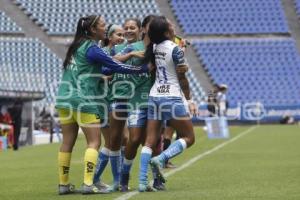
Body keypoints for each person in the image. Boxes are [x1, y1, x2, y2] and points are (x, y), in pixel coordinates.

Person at [55, 15, 149, 195]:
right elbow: (115, 65)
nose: (104, 29)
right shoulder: (92, 48)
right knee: (94, 142)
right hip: (84, 100)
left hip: (64, 99)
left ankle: (63, 184)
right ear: (92, 29)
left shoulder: (76, 47)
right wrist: (141, 69)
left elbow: (103, 68)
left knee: (67, 143)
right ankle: (88, 184)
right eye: (102, 25)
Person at [138, 16, 197, 192]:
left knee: (149, 141)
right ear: (166, 32)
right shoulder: (175, 50)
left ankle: (142, 182)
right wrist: (189, 100)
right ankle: (162, 158)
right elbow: (182, 78)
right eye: (170, 25)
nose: (173, 26)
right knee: (189, 137)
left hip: (154, 96)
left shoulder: (154, 46)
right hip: (171, 97)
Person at [93, 23, 125, 190]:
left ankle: (113, 179)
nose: (121, 37)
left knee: (117, 141)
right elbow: (98, 76)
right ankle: (109, 179)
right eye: (118, 34)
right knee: (112, 142)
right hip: (104, 102)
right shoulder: (104, 53)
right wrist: (114, 74)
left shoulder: (118, 52)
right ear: (110, 37)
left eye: (122, 35)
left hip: (113, 101)